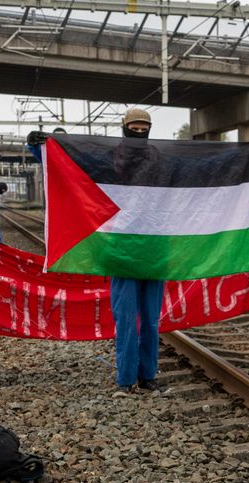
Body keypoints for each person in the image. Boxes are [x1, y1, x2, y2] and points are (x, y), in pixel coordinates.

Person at [110, 108, 167, 396]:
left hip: (155, 246)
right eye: (135, 126)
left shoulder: (159, 157)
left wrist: (244, 156)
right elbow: (70, 163)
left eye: (145, 127)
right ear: (125, 127)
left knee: (151, 319)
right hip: (123, 248)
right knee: (126, 319)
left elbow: (197, 167)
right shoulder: (110, 157)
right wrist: (40, 147)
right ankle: (125, 379)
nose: (140, 131)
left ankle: (148, 376)